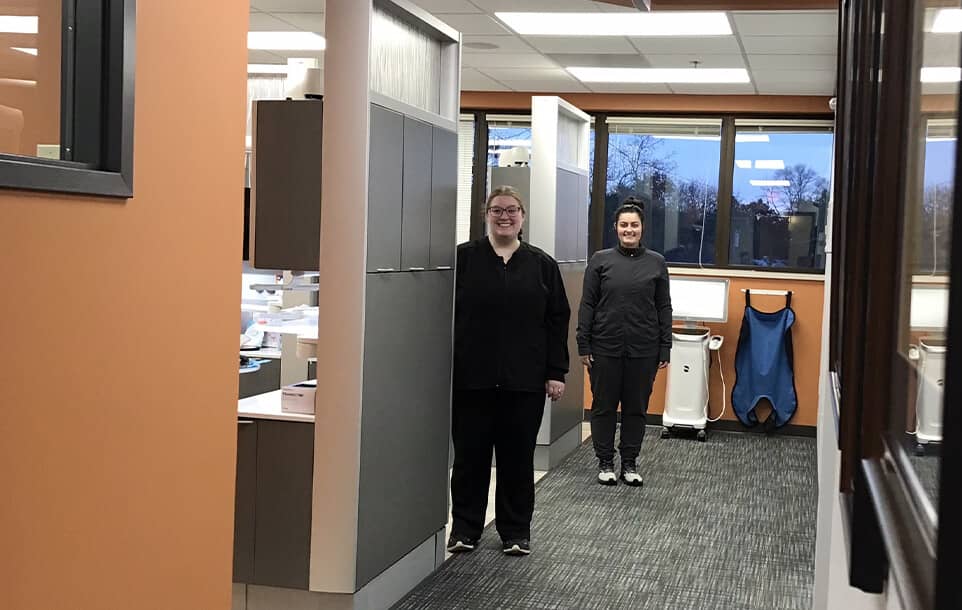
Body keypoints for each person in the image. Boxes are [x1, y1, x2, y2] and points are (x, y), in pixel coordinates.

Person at [447, 185, 571, 557]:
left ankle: (516, 532)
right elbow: (444, 315)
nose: (505, 217)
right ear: (486, 215)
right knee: (469, 458)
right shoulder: (464, 259)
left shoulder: (541, 264)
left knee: (517, 459)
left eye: (512, 210)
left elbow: (557, 320)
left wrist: (556, 372)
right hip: (472, 380)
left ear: (522, 216)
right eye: (497, 210)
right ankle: (465, 529)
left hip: (525, 382)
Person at [577, 198, 672, 487]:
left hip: (644, 349)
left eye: (634, 225)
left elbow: (664, 307)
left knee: (635, 408)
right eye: (623, 225)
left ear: (642, 228)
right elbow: (587, 304)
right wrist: (584, 344)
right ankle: (605, 461)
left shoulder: (656, 262)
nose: (629, 230)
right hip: (604, 347)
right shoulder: (600, 260)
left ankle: (629, 462)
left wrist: (665, 346)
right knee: (603, 406)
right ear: (615, 228)